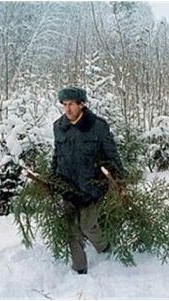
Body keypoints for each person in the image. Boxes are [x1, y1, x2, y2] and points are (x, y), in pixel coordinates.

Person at [50, 87, 125, 274]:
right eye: (64, 105)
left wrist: (120, 180)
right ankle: (80, 268)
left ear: (81, 105)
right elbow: (57, 154)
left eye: (71, 105)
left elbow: (111, 154)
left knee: (88, 226)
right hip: (67, 186)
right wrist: (52, 177)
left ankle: (105, 248)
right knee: (71, 230)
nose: (67, 109)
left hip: (91, 187)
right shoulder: (59, 127)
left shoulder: (97, 126)